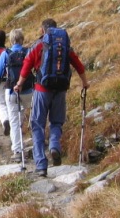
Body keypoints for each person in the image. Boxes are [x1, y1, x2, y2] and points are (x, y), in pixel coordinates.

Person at [14, 18, 90, 176]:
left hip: (42, 89)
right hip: (60, 89)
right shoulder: (64, 45)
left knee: (37, 125)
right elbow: (77, 64)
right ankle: (54, 146)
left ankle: (41, 164)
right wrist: (84, 82)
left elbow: (27, 65)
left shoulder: (38, 45)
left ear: (43, 30)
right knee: (56, 122)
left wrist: (19, 84)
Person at [0, 28, 33, 162]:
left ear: (11, 40)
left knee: (14, 121)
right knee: (32, 117)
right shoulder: (28, 52)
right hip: (28, 91)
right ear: (22, 39)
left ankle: (17, 150)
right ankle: (37, 144)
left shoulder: (6, 53)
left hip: (12, 91)